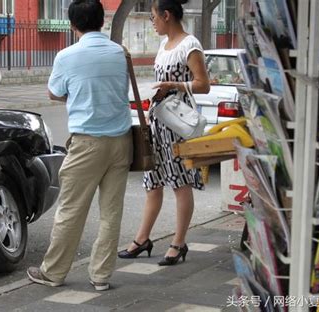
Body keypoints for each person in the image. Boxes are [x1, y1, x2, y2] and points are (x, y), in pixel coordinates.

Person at [26, 0, 132, 291]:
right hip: (122, 142)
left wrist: (77, 97)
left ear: (73, 25)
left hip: (87, 143)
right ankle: (101, 277)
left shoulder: (66, 56)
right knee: (111, 213)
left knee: (71, 210)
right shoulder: (120, 53)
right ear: (102, 22)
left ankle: (53, 272)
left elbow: (54, 93)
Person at [118, 0, 210, 266]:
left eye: (153, 17)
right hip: (158, 123)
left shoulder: (189, 45)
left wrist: (173, 85)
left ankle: (178, 243)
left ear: (166, 15)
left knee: (180, 184)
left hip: (177, 126)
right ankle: (142, 239)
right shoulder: (164, 45)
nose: (152, 22)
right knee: (153, 183)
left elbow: (204, 84)